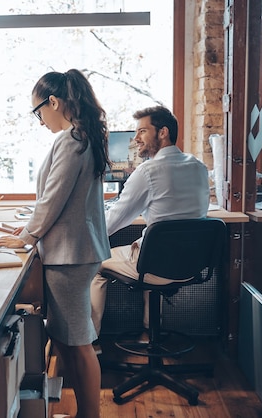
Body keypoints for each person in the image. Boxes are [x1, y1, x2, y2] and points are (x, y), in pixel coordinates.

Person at [0, 69, 111, 418]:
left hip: (70, 255)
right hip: (72, 250)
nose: (39, 119)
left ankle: (89, 415)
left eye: (38, 111)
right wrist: (24, 230)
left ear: (54, 102)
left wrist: (25, 237)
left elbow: (53, 199)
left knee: (79, 343)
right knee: (65, 339)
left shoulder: (71, 140)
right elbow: (59, 199)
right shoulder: (83, 137)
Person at [90, 105, 210, 336]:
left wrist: (84, 234)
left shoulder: (148, 171)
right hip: (193, 265)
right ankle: (149, 334)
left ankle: (91, 343)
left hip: (156, 267)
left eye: (142, 131)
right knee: (152, 251)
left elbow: (112, 222)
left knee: (96, 265)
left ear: (163, 132)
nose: (135, 139)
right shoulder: (199, 167)